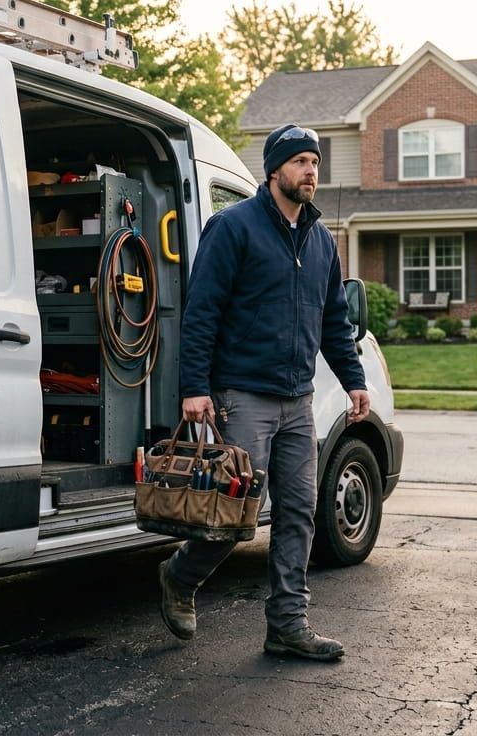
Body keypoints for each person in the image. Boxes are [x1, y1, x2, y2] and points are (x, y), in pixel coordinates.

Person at [158, 124, 370, 661]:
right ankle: (180, 576)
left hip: (298, 399)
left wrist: (354, 381)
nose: (310, 172)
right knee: (233, 515)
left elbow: (334, 320)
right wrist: (194, 388)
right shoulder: (234, 227)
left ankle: (288, 625)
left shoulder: (321, 241)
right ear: (275, 170)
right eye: (300, 162)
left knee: (299, 511)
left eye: (315, 163)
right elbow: (202, 311)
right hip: (243, 393)